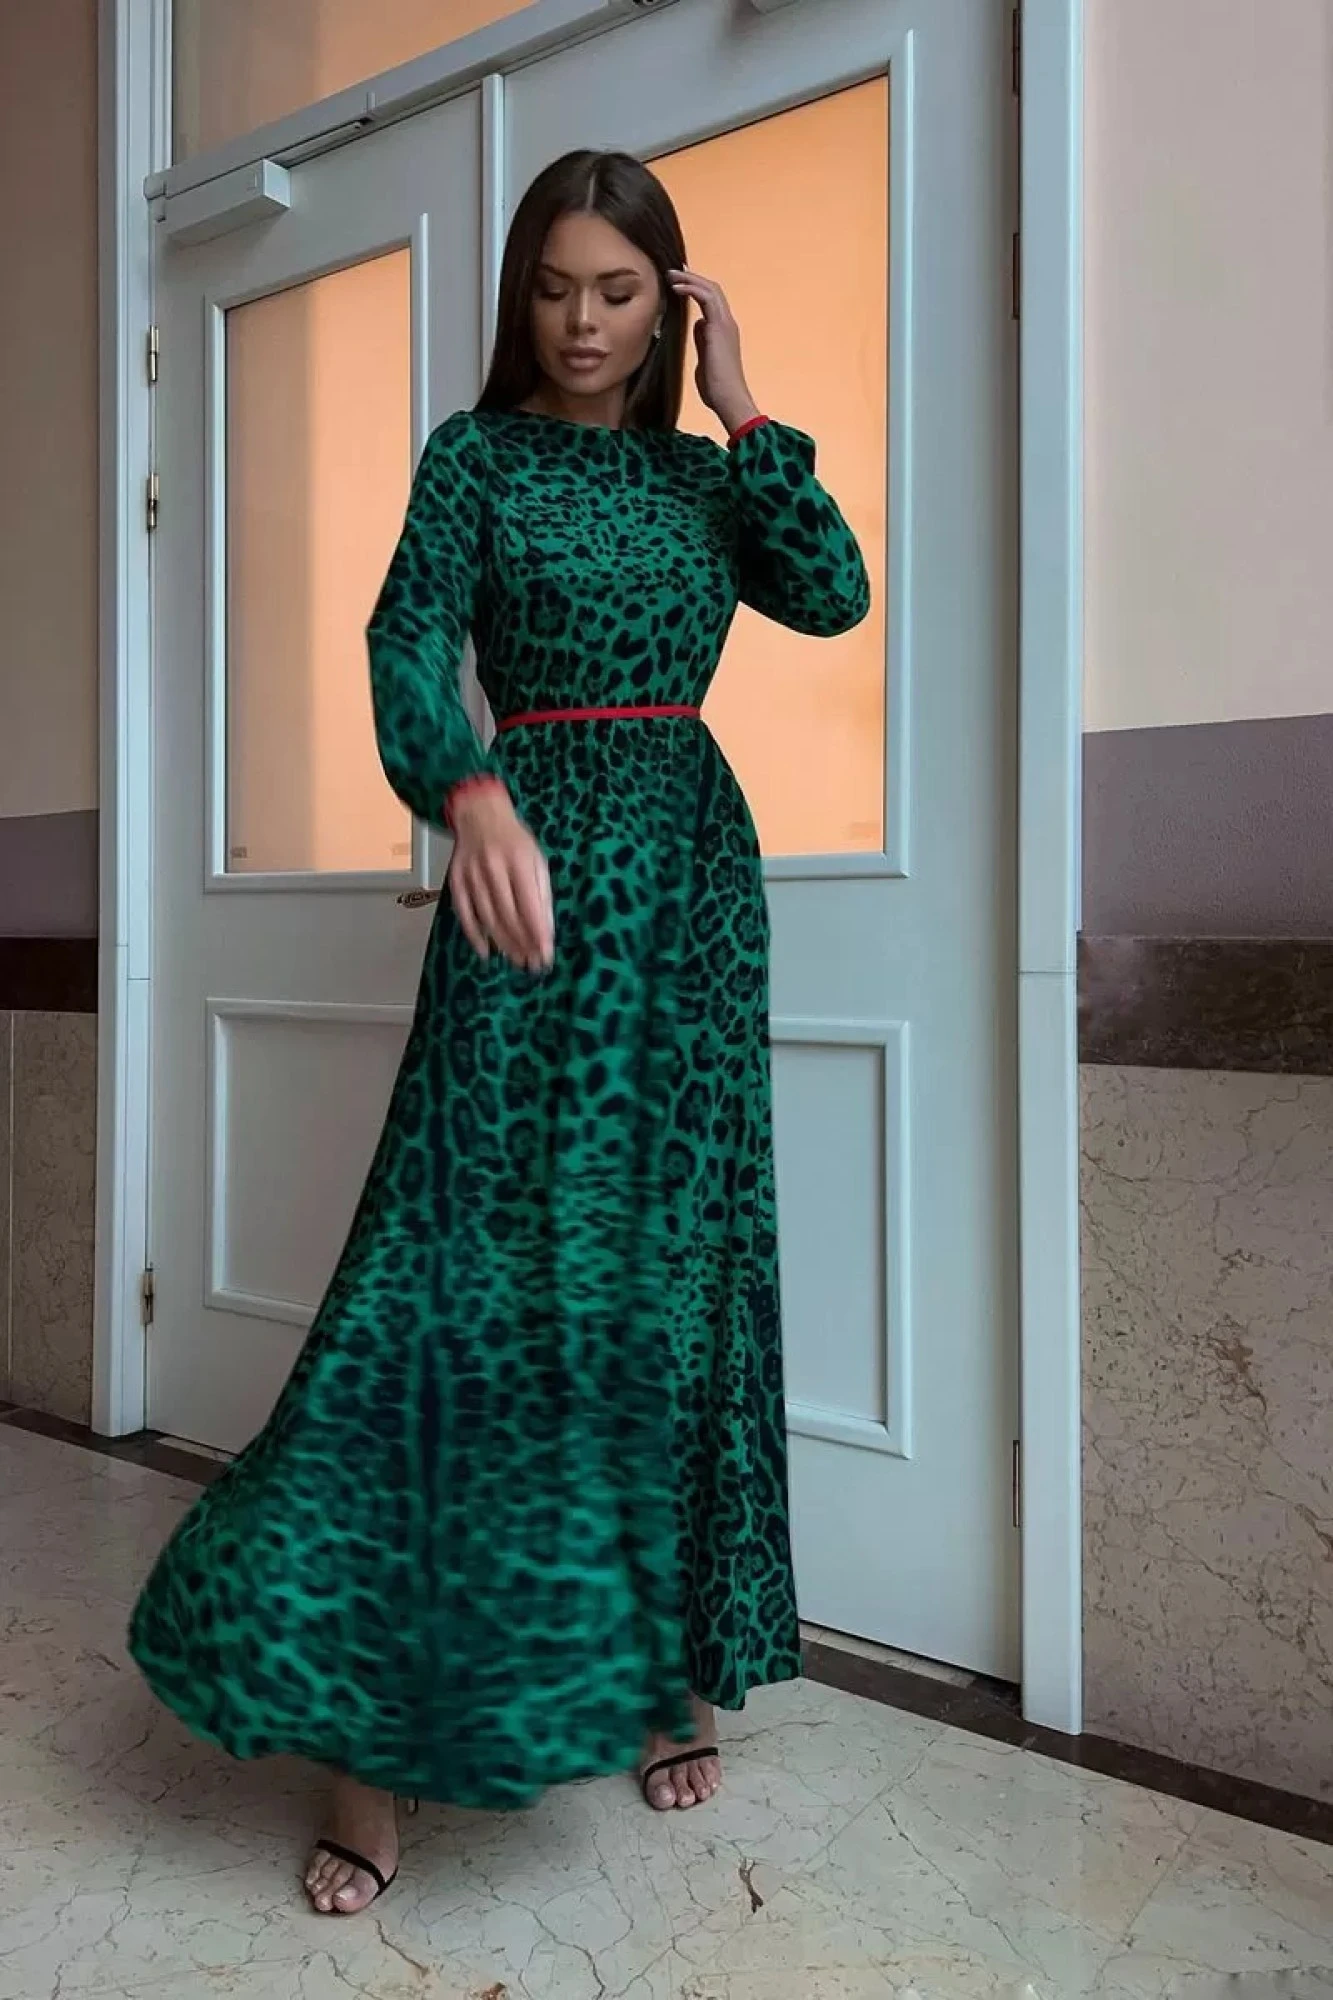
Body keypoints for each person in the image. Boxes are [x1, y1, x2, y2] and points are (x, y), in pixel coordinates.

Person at [129, 149, 870, 1917]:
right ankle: (368, 1752)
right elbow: (405, 643)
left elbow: (833, 591)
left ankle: (669, 1675)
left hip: (689, 906)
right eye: (554, 287)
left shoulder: (704, 480)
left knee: (669, 1278)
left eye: (618, 292)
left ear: (667, 306)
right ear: (519, 294)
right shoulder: (473, 459)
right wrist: (465, 791)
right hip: (521, 899)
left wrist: (750, 405)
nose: (582, 322)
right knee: (452, 1292)